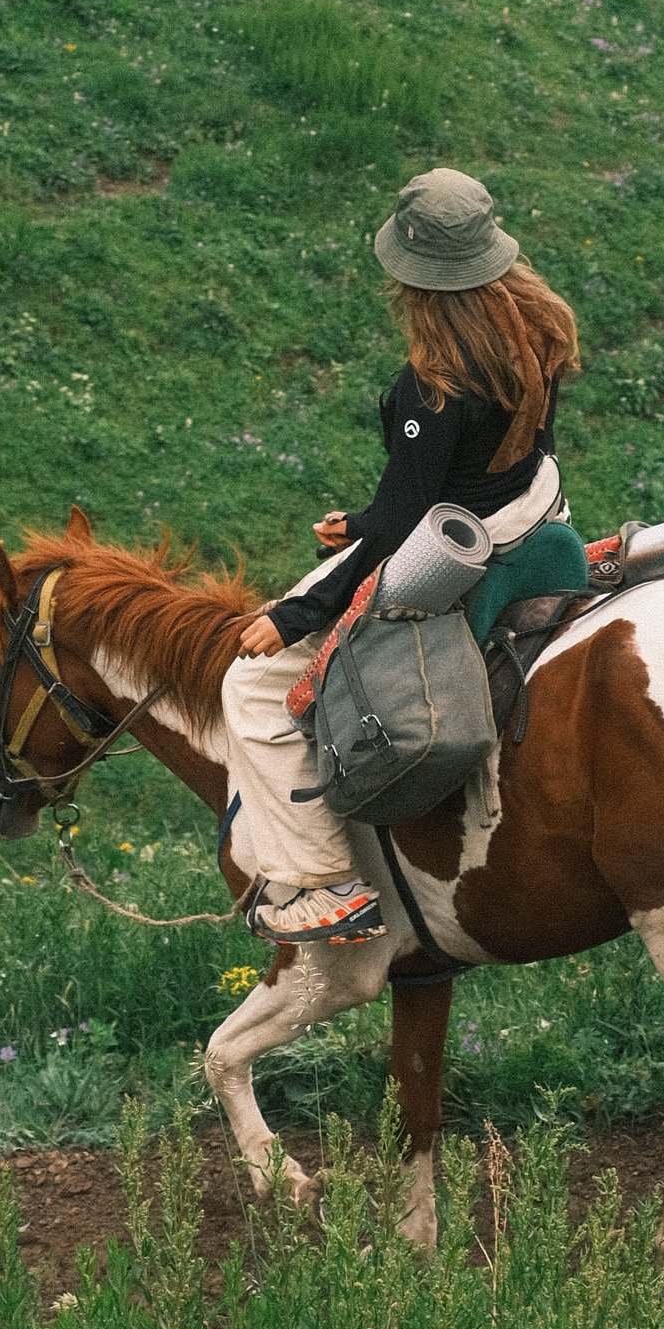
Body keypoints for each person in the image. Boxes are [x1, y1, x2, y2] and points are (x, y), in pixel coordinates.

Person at [222, 166, 582, 943]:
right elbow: (484, 465)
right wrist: (360, 520)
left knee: (248, 690)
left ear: (414, 274)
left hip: (447, 545)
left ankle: (325, 883)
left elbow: (402, 528)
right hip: (531, 515)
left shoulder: (435, 384)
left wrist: (294, 616)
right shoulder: (541, 326)